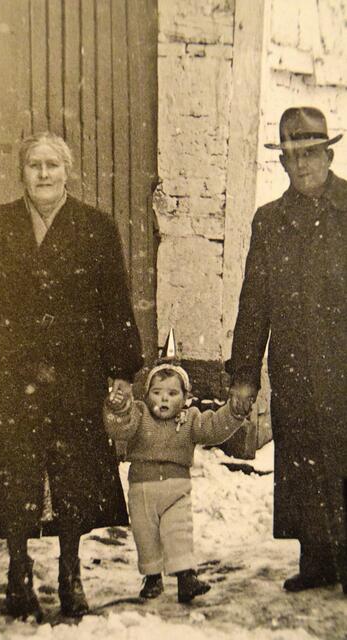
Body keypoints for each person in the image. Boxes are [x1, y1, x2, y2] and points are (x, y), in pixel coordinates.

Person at [0, 131, 143, 620]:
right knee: (16, 470)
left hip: (75, 369)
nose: (44, 174)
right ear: (22, 172)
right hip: (12, 370)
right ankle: (18, 571)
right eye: (35, 164)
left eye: (52, 164)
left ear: (67, 171)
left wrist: (121, 369)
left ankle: (70, 572)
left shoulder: (95, 228)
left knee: (72, 473)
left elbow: (115, 302)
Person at [227, 107, 347, 593]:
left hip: (344, 362)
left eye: (310, 154)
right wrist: (244, 373)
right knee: (303, 459)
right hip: (295, 363)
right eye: (292, 157)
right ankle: (317, 560)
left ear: (329, 156)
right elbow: (254, 300)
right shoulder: (270, 221)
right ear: (281, 163)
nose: (301, 165)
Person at [103, 363, 254, 603]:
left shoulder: (190, 419)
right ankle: (152, 577)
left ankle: (186, 578)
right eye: (157, 392)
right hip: (142, 492)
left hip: (177, 492)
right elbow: (120, 429)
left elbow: (213, 428)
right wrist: (120, 408)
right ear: (146, 395)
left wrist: (233, 413)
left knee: (178, 532)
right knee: (145, 536)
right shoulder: (139, 414)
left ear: (185, 398)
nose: (164, 398)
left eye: (172, 393)